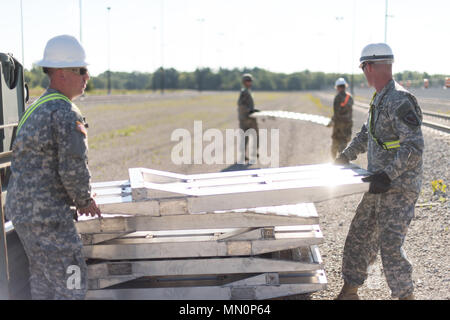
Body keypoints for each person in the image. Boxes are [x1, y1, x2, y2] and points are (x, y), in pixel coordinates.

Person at [5, 35, 101, 300]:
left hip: (24, 215)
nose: (87, 77)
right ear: (61, 74)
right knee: (72, 281)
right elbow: (73, 167)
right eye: (81, 70)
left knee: (43, 280)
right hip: (49, 218)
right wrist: (85, 200)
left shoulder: (36, 107)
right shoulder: (65, 112)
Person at [334, 43, 423, 300]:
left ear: (369, 66)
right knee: (359, 236)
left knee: (390, 246)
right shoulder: (380, 98)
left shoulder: (399, 99)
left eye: (363, 68)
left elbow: (414, 146)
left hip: (398, 186)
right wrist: (346, 156)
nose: (363, 73)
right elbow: (367, 134)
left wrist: (388, 175)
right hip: (378, 184)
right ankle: (350, 291)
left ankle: (405, 295)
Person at [327, 77, 353, 160]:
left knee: (335, 145)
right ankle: (343, 162)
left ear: (337, 87)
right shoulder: (350, 97)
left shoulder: (337, 97)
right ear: (345, 86)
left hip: (339, 126)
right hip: (348, 125)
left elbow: (336, 114)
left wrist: (331, 121)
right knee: (344, 144)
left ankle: (334, 161)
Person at [237, 73, 260, 162]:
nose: (249, 82)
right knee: (246, 136)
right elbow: (241, 104)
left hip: (249, 117)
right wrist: (249, 111)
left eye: (250, 81)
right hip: (246, 118)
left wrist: (253, 110)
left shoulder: (247, 91)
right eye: (247, 81)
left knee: (254, 136)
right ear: (243, 82)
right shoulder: (244, 92)